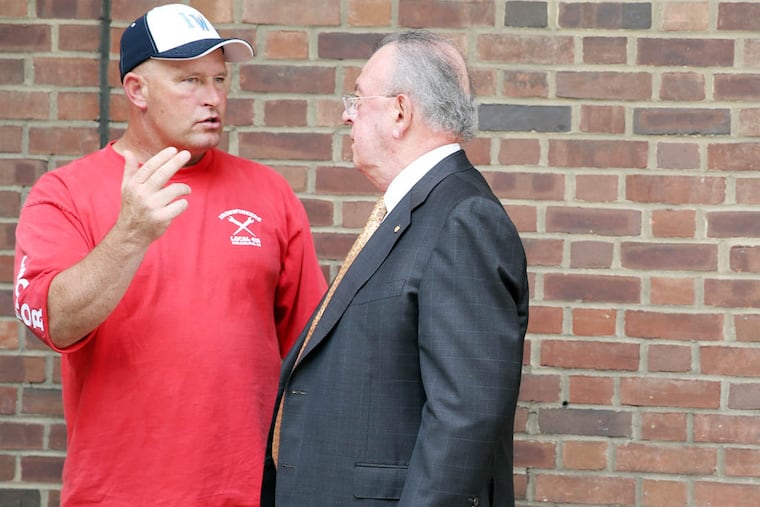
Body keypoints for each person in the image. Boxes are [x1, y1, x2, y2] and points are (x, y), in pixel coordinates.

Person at [13, 4, 326, 506]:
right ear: (137, 90)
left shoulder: (270, 192)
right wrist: (130, 233)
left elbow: (312, 353)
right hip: (117, 494)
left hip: (249, 491)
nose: (213, 98)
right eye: (190, 81)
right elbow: (55, 321)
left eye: (219, 79)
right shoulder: (64, 193)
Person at [261, 30, 529, 507]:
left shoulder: (463, 218)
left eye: (358, 98)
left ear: (400, 112)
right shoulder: (418, 211)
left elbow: (465, 414)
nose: (347, 113)